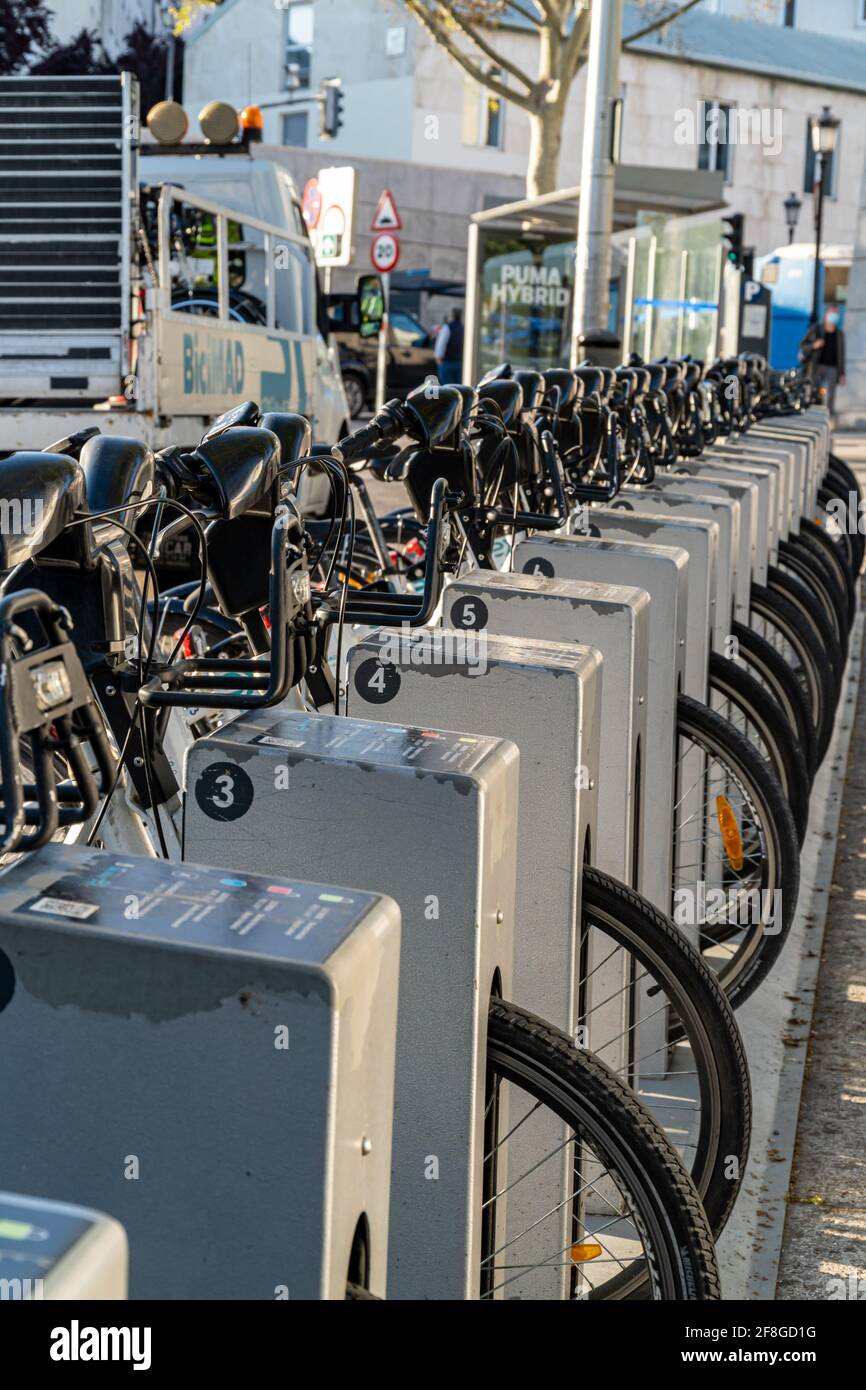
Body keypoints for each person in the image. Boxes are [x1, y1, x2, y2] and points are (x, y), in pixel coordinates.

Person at [800, 307, 846, 414]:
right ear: (826, 315)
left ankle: (828, 416)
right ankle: (810, 413)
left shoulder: (839, 334)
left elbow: (841, 354)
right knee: (813, 390)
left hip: (832, 368)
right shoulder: (816, 329)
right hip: (816, 366)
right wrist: (814, 345)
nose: (834, 317)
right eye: (832, 314)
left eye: (836, 314)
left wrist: (842, 373)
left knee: (830, 394)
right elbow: (803, 345)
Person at [435, 307, 465, 385]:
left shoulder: (447, 327)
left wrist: (438, 359)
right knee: (459, 388)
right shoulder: (463, 328)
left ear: (452, 316)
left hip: (447, 363)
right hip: (460, 363)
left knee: (447, 389)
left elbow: (440, 345)